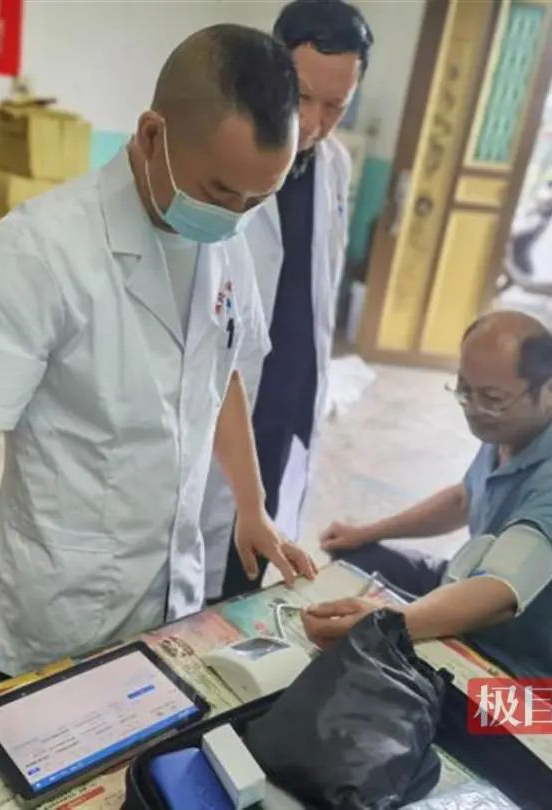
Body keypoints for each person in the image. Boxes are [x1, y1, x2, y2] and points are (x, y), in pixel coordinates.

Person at [0, 24, 317, 729]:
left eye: (257, 200)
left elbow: (220, 374)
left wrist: (251, 507)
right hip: (63, 606)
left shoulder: (228, 239)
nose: (234, 218)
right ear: (153, 134)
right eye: (221, 191)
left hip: (175, 597)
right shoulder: (39, 252)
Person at [303, 311, 552, 680]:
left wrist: (386, 622)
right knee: (352, 557)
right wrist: (366, 532)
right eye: (465, 390)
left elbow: (500, 592)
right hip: (468, 583)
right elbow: (465, 498)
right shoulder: (509, 430)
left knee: (350, 673)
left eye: (491, 398)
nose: (474, 410)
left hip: (514, 666)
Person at [202, 0, 374, 601]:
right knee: (199, 550)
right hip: (225, 394)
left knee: (256, 552)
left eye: (336, 106)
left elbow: (319, 283)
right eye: (302, 97)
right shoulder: (222, 155)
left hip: (290, 394)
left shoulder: (335, 166)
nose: (314, 122)